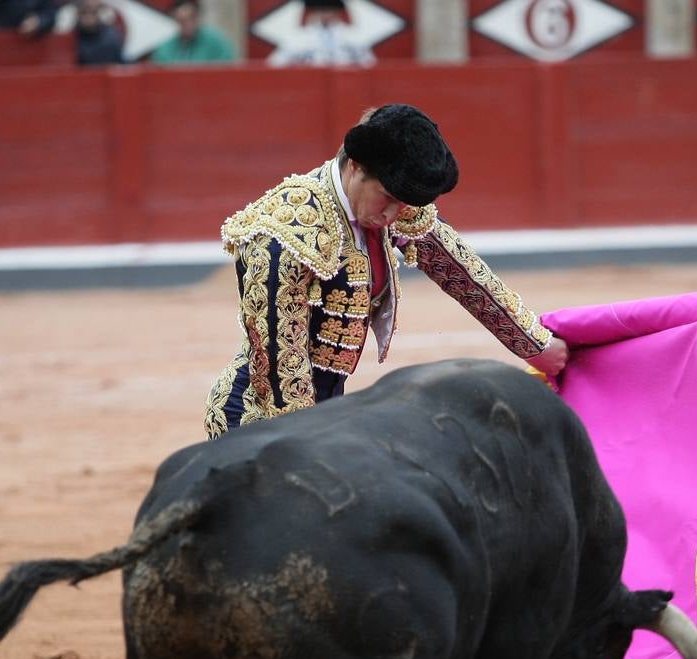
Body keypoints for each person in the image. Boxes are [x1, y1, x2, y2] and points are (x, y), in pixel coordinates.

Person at [204, 103, 569, 438]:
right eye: (388, 198)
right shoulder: (287, 231)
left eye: (403, 203)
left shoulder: (392, 203)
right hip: (257, 422)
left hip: (324, 411)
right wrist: (310, 443)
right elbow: (281, 367)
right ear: (357, 166)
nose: (393, 215)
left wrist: (535, 345)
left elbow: (462, 272)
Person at [267, 0, 373, 67]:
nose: (324, 14)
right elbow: (276, 64)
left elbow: (369, 64)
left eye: (328, 10)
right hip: (307, 84)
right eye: (319, 10)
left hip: (346, 85)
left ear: (337, 11)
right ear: (313, 12)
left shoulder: (353, 36)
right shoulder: (298, 37)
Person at [148, 0, 233, 65]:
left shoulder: (216, 41)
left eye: (191, 18)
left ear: (198, 17)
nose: (188, 24)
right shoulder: (165, 46)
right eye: (182, 20)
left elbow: (230, 66)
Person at [73, 0, 122, 66]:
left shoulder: (111, 37)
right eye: (84, 13)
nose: (88, 18)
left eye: (92, 13)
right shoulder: (72, 37)